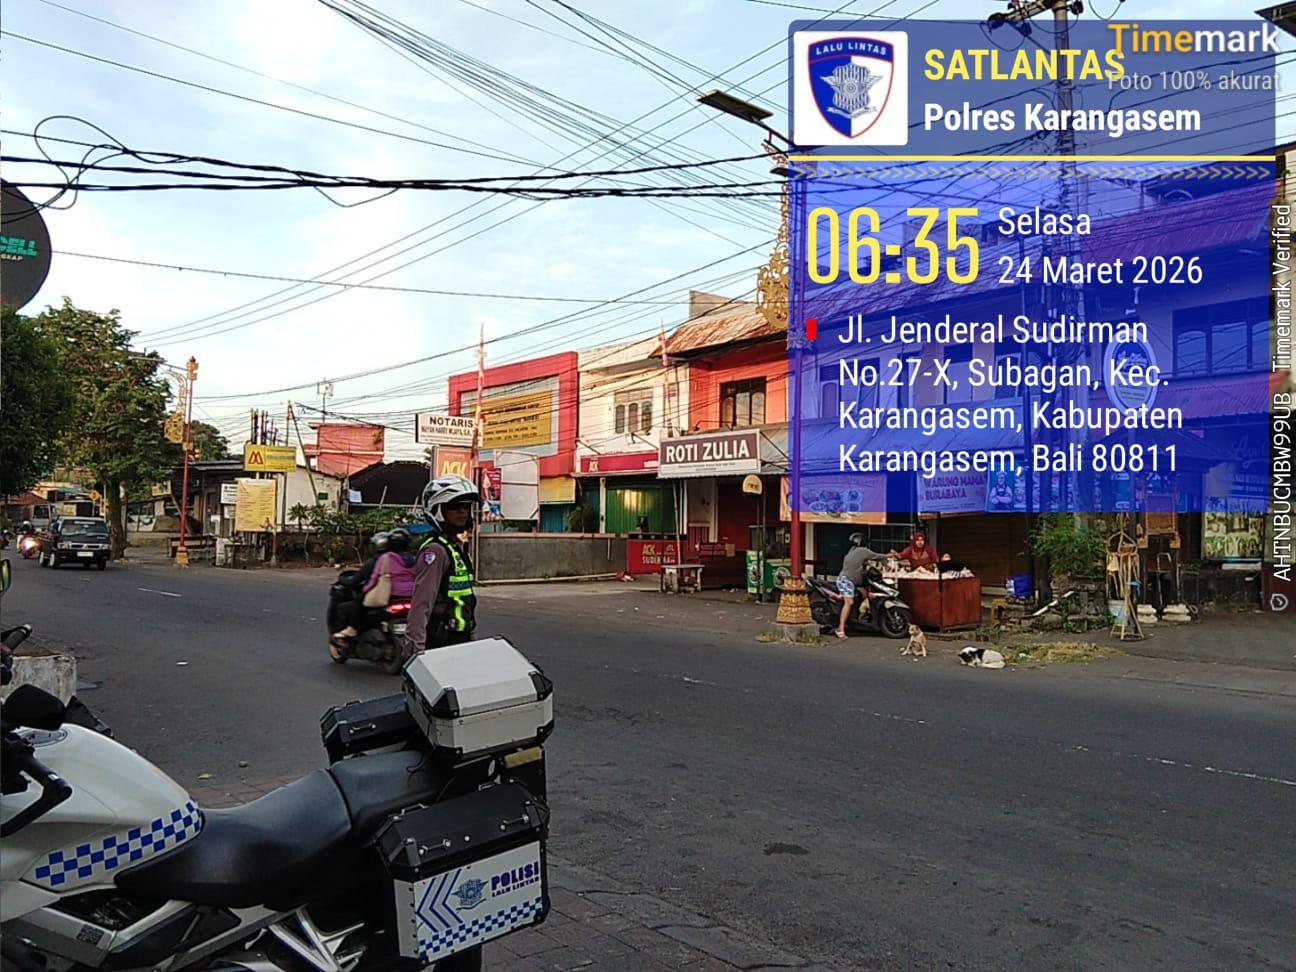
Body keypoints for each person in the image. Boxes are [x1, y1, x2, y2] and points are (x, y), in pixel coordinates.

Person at [408, 475, 480, 654]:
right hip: (439, 642)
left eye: (466, 506)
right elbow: (421, 604)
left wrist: (471, 638)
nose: (462, 512)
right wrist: (415, 652)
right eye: (454, 506)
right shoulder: (436, 551)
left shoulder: (457, 548)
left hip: (459, 640)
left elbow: (463, 600)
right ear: (437, 510)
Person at [331, 530, 417, 645]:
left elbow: (374, 578)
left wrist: (365, 592)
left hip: (390, 595)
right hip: (411, 596)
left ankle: (352, 629)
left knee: (358, 604)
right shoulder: (414, 560)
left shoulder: (386, 558)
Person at [834, 532, 886, 640]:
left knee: (865, 594)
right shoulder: (862, 551)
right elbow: (876, 556)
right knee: (849, 602)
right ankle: (840, 628)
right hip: (846, 580)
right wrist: (890, 555)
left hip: (854, 581)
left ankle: (855, 618)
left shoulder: (851, 551)